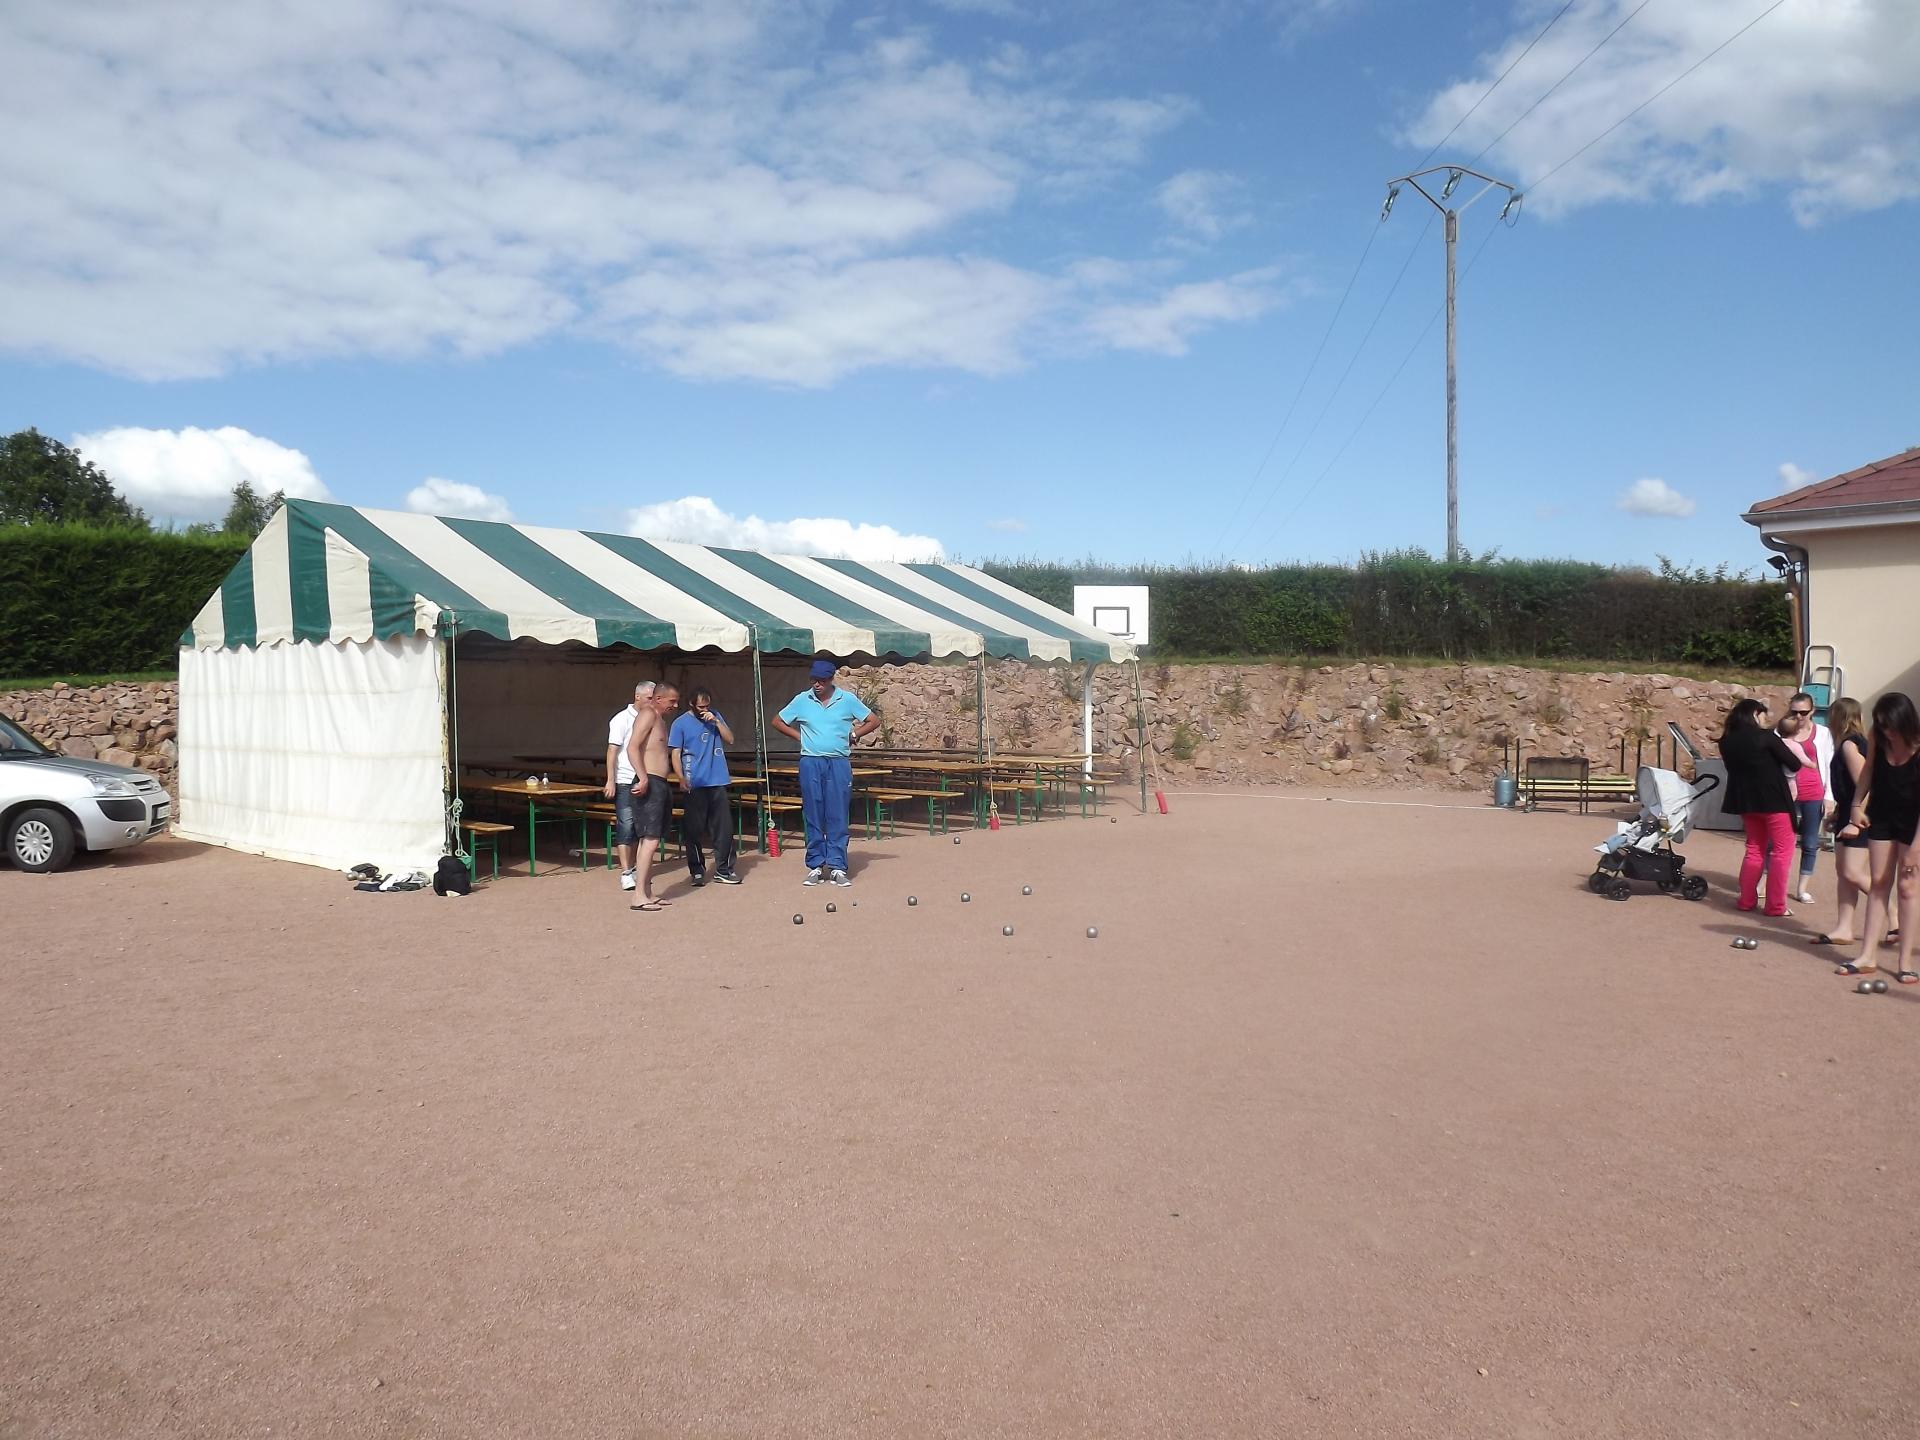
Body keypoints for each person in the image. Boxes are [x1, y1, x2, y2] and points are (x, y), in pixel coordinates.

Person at [772, 658, 881, 887]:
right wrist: (800, 737)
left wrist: (855, 734)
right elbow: (778, 721)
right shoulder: (802, 700)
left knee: (837, 814)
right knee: (813, 813)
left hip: (838, 762)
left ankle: (837, 866)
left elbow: (873, 720)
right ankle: (815, 865)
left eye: (821, 680)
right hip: (811, 762)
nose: (817, 684)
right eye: (814, 679)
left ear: (831, 679)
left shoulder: (847, 700)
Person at [1836, 692, 1920, 983]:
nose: (1887, 732)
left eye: (1891, 726)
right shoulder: (1877, 736)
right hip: (1882, 815)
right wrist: (1856, 806)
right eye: (1882, 725)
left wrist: (1916, 847)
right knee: (1879, 883)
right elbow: (1868, 769)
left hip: (1913, 821)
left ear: (1905, 722)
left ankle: (1905, 961)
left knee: (1908, 887)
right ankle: (1867, 956)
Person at [1716, 697, 1802, 918]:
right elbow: (1794, 764)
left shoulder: (1726, 741)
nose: (1766, 720)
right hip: (1774, 800)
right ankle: (1775, 905)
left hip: (1746, 802)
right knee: (1782, 851)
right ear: (1755, 714)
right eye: (1764, 715)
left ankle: (1746, 900)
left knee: (1754, 849)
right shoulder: (1765, 737)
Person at [1811, 697, 1870, 947]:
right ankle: (1844, 928)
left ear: (1837, 717)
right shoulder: (1850, 743)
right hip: (1849, 812)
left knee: (1852, 872)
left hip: (1860, 816)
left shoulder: (1849, 745)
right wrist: (1838, 814)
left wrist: (1855, 821)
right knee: (1844, 874)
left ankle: (1894, 915)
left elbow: (1865, 786)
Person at [669, 687, 740, 887]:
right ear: (691, 704)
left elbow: (730, 739)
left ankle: (724, 869)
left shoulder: (715, 716)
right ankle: (697, 870)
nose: (705, 710)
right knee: (694, 829)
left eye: (707, 706)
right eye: (701, 707)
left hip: (717, 780)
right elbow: (675, 753)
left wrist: (716, 722)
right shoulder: (680, 723)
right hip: (695, 781)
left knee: (724, 828)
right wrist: (680, 777)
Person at [622, 681, 680, 911]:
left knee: (652, 838)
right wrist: (643, 777)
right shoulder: (648, 714)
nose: (675, 705)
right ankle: (638, 895)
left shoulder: (661, 720)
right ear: (658, 699)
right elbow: (632, 747)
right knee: (650, 839)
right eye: (672, 701)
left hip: (661, 783)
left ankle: (647, 891)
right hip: (650, 782)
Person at [1777, 691, 1831, 904]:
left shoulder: (1823, 733)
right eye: (1795, 712)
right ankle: (1767, 883)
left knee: (1810, 842)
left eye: (1804, 712)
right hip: (1785, 792)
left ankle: (1802, 888)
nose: (1799, 717)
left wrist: (1829, 796)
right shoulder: (1781, 730)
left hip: (1813, 791)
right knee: (1778, 841)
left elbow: (1828, 763)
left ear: (1813, 711)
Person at [604, 681, 655, 893]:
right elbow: (612, 751)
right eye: (649, 698)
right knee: (626, 825)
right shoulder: (621, 719)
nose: (652, 702)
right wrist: (610, 779)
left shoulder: (654, 718)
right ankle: (626, 872)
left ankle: (633, 867)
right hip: (626, 779)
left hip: (647, 777)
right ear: (637, 697)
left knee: (640, 826)